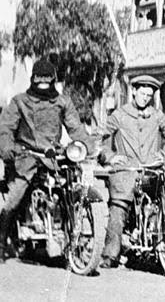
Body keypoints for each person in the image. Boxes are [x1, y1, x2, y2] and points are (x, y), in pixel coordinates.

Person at [0, 59, 96, 261]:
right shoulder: (19, 101)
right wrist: (7, 148)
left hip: (53, 157)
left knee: (71, 184)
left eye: (47, 78)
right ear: (33, 79)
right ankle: (1, 240)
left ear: (53, 79)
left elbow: (76, 128)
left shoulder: (62, 102)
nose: (43, 82)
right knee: (14, 196)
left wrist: (90, 147)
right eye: (39, 78)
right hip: (26, 156)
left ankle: (72, 231)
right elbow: (6, 128)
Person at [99, 74, 165, 268]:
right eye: (142, 93)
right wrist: (110, 156)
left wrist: (163, 155)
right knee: (118, 208)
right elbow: (100, 137)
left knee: (160, 201)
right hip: (125, 171)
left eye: (149, 95)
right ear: (134, 92)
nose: (145, 98)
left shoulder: (157, 116)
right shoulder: (120, 115)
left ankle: (159, 247)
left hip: (150, 171)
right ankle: (111, 254)